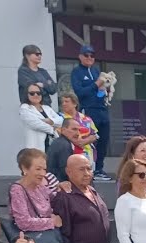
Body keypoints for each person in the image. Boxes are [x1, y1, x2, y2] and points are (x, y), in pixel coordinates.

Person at [9, 147, 65, 243]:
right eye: (38, 169)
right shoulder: (17, 190)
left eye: (44, 169)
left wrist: (62, 190)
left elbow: (53, 201)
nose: (43, 173)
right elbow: (23, 222)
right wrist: (52, 221)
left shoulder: (40, 186)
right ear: (25, 168)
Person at [70, 45, 112, 179]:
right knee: (89, 141)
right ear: (80, 56)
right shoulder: (77, 72)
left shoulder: (95, 71)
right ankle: (88, 169)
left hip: (102, 110)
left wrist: (106, 88)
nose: (89, 58)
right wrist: (96, 84)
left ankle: (99, 169)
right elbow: (79, 92)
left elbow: (100, 90)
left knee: (103, 140)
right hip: (88, 111)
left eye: (92, 55)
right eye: (86, 55)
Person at [58, 92, 99, 170]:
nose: (63, 104)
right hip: (69, 152)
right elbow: (59, 133)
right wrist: (76, 142)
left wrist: (84, 141)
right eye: (62, 102)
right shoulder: (59, 118)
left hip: (87, 154)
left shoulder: (86, 118)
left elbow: (95, 135)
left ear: (75, 104)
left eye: (66, 101)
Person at [20, 82, 63, 152]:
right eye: (32, 93)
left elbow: (61, 120)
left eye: (38, 93)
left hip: (52, 145)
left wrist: (51, 121)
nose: (36, 95)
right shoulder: (25, 108)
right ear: (26, 95)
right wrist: (53, 129)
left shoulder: (46, 108)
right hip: (36, 147)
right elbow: (36, 124)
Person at [48, 117, 86, 182]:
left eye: (79, 130)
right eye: (74, 129)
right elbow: (66, 171)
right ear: (63, 130)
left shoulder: (60, 142)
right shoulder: (64, 145)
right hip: (59, 184)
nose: (77, 133)